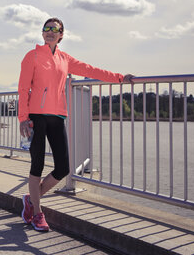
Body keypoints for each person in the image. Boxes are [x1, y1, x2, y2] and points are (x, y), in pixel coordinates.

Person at [18, 17, 133, 232]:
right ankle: (37, 214)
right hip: (36, 117)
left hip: (58, 115)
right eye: (46, 28)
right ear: (42, 33)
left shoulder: (65, 58)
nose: (50, 32)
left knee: (63, 167)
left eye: (55, 29)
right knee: (38, 165)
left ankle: (31, 200)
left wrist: (119, 78)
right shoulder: (32, 56)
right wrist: (23, 117)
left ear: (61, 34)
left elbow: (91, 70)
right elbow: (23, 88)